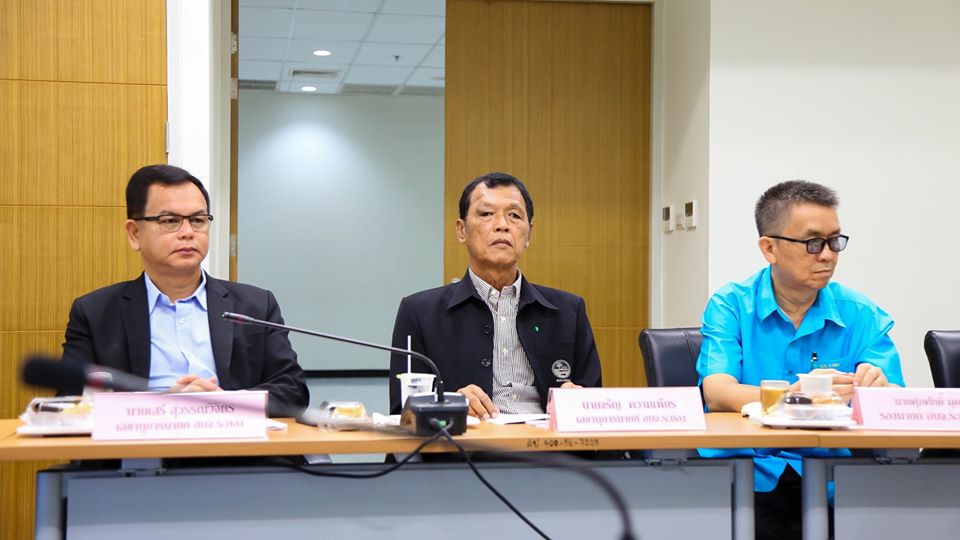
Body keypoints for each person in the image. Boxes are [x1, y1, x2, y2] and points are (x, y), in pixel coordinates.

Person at [697, 180, 904, 540]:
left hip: (835, 474)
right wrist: (794, 399)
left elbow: (894, 402)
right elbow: (716, 391)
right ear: (770, 248)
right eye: (813, 243)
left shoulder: (860, 312)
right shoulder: (731, 305)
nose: (827, 255)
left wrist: (877, 389)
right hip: (749, 470)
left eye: (834, 241)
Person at [60, 164, 309, 416]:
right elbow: (70, 400)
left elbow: (293, 390)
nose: (188, 232)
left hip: (234, 436)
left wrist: (227, 402)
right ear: (135, 234)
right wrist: (163, 406)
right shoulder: (95, 313)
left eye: (198, 220)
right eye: (170, 221)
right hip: (143, 436)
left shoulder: (255, 305)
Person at [388, 172, 602, 417]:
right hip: (467, 438)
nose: (502, 225)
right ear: (461, 230)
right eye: (486, 214)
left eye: (514, 215)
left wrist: (579, 399)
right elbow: (402, 412)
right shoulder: (419, 313)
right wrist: (450, 403)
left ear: (529, 234)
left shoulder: (569, 311)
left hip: (546, 438)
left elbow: (595, 405)